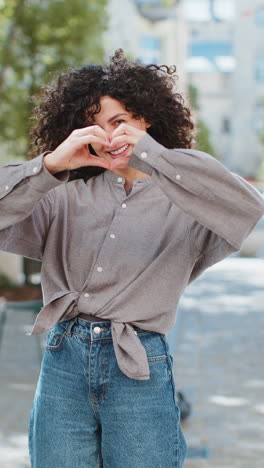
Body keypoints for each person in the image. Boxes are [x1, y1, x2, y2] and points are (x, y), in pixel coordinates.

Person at [0, 49, 263, 468]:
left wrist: (153, 155)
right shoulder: (63, 193)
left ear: (147, 119)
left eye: (120, 121)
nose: (108, 136)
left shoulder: (188, 197)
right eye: (94, 126)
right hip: (63, 359)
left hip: (138, 363)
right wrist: (50, 165)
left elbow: (248, 207)